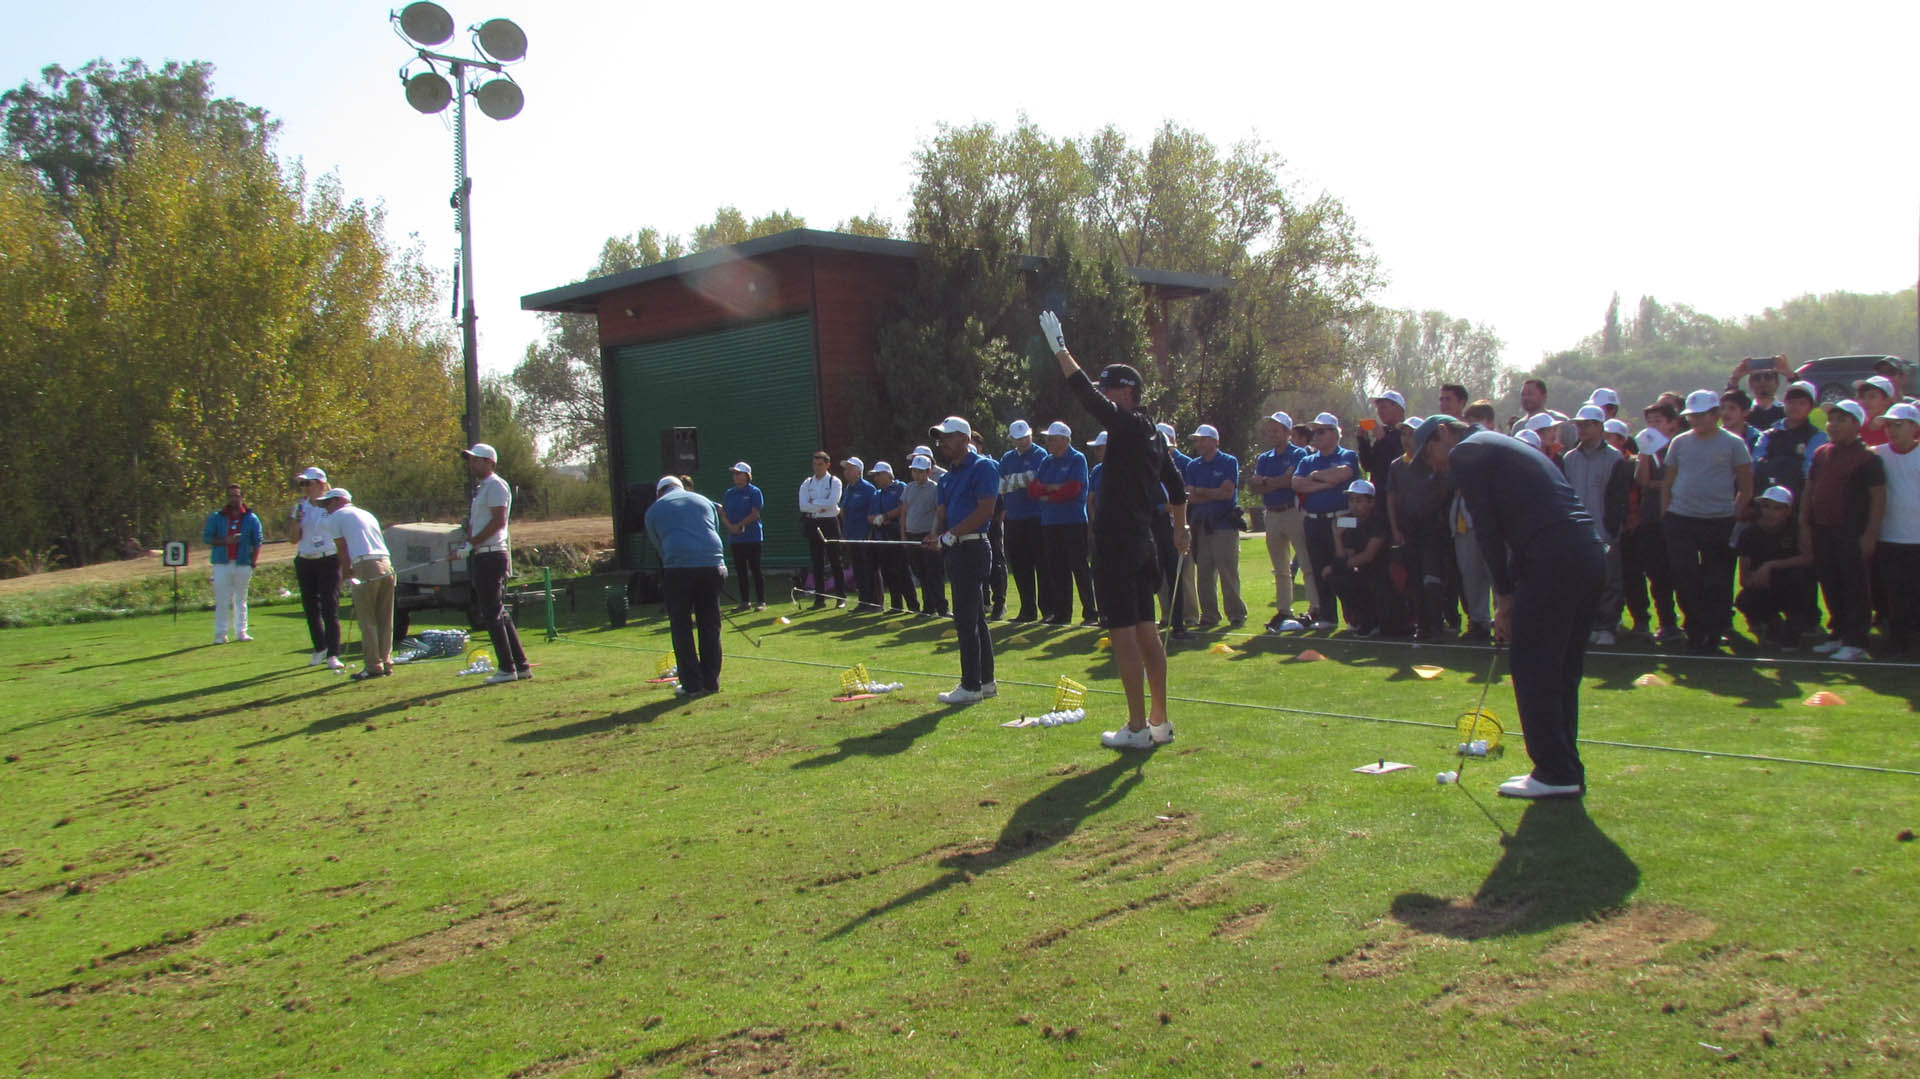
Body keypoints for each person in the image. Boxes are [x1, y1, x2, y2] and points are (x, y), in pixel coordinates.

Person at [1414, 417, 1604, 800]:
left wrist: (1503, 598)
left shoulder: (1467, 452)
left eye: (1428, 453)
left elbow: (1487, 527)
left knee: (1533, 664)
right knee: (1561, 668)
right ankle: (1564, 768)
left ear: (1443, 434)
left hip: (1553, 558)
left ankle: (1555, 771)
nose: (1434, 465)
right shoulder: (1498, 445)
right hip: (1587, 552)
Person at [1040, 311, 1190, 749]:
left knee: (1123, 634)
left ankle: (1137, 727)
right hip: (1143, 542)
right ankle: (1159, 721)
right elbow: (1177, 487)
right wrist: (1180, 529)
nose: (1105, 395)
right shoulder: (1154, 434)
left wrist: (1061, 350)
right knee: (1146, 630)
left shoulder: (1127, 423)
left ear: (1128, 392)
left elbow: (1087, 396)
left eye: (1111, 389)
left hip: (1117, 545)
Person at [1661, 390, 1754, 653]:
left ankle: (1714, 631)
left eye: (1701, 415)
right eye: (1692, 416)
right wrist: (1665, 514)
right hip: (1681, 518)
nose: (1696, 420)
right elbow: (1668, 481)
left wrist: (1734, 512)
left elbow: (1746, 484)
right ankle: (1694, 629)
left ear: (1715, 414)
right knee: (1684, 575)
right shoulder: (1680, 442)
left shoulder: (1733, 443)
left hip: (1718, 520)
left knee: (1717, 579)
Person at [925, 417, 1001, 703]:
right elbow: (941, 512)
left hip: (973, 547)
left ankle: (970, 686)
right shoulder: (946, 478)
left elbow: (986, 510)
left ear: (965, 439)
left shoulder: (983, 467)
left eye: (948, 437)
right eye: (940, 438)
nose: (943, 442)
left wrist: (950, 535)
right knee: (976, 618)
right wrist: (935, 534)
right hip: (956, 548)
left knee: (966, 620)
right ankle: (986, 682)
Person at [1805, 400, 1885, 662]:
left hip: (1852, 532)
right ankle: (1838, 632)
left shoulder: (1868, 458)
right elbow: (1810, 490)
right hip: (1823, 529)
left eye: (1841, 420)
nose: (1833, 425)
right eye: (1831, 420)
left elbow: (1878, 499)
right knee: (1830, 583)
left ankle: (1856, 640)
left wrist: (1870, 534)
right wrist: (1804, 524)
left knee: (1855, 587)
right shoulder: (1821, 453)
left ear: (1856, 424)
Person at [454, 443, 531, 683]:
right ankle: (521, 665)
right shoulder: (482, 488)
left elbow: (498, 521)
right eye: (470, 460)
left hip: (491, 554)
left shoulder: (496, 485)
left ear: (490, 462)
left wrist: (472, 543)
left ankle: (507, 669)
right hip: (483, 553)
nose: (471, 464)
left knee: (491, 613)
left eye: (476, 460)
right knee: (499, 612)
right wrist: (468, 544)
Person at [646, 475, 728, 697]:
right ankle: (711, 682)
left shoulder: (654, 510)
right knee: (710, 624)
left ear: (659, 493)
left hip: (679, 569)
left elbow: (659, 546)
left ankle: (692, 684)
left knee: (681, 626)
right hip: (714, 566)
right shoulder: (704, 501)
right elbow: (714, 530)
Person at [1561, 405, 1633, 646]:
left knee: (1608, 580)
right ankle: (1586, 624)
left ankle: (1606, 626)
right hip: (1576, 531)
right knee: (1579, 581)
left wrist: (1614, 529)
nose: (1581, 429)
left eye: (1587, 425)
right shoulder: (1569, 458)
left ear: (1600, 427)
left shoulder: (1615, 458)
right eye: (1579, 425)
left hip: (1604, 529)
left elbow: (1619, 498)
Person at [1292, 413, 1359, 630]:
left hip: (1342, 519)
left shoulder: (1348, 455)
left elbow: (1342, 475)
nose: (1316, 436)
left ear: (1335, 433)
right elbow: (1297, 484)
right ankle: (1328, 617)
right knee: (1319, 568)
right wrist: (1325, 483)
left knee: (1344, 567)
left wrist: (1315, 476)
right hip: (1313, 521)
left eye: (1321, 431)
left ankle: (1354, 617)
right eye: (1315, 432)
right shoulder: (1307, 460)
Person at [1387, 421, 1454, 638]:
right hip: (1408, 530)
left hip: (1433, 529)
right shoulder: (1397, 465)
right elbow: (1391, 498)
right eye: (1403, 434)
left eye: (1411, 434)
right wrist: (1395, 528)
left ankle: (1437, 624)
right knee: (1415, 579)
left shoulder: (1434, 461)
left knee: (1432, 578)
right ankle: (1422, 625)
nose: (1406, 439)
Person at [319, 488, 394, 681]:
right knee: (384, 618)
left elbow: (342, 549)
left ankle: (373, 666)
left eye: (328, 502)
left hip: (365, 565)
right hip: (386, 564)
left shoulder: (337, 517)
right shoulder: (366, 514)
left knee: (367, 619)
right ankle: (386, 662)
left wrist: (346, 573)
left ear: (340, 500)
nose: (326, 507)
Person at [1030, 421, 1098, 625]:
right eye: (1049, 439)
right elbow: (1033, 490)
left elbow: (1073, 490)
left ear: (1065, 440)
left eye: (1053, 439)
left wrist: (1047, 492)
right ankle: (1062, 614)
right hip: (1050, 522)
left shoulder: (1077, 459)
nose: (1049, 443)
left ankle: (1090, 612)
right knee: (1057, 569)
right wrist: (1055, 488)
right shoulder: (1046, 461)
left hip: (1073, 520)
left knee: (1079, 567)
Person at [1734, 486, 1816, 649]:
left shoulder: (1797, 529)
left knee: (1801, 581)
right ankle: (1771, 623)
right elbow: (1744, 579)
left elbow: (1808, 559)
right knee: (1745, 600)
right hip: (1766, 585)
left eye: (1777, 508)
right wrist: (1756, 580)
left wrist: (1770, 565)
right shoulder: (1749, 534)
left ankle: (1795, 625)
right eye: (1766, 507)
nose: (1770, 513)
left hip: (1792, 584)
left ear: (1788, 511)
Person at [1181, 423, 1245, 629]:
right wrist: (1211, 492)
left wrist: (1202, 491)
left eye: (1203, 440)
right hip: (1201, 525)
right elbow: (1190, 497)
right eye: (1197, 440)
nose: (1199, 444)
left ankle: (1236, 614)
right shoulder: (1193, 466)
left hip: (1224, 524)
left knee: (1228, 572)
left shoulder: (1228, 461)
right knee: (1204, 573)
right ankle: (1209, 615)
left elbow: (1227, 493)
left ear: (1215, 441)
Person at [1251, 412, 1309, 632]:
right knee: (1280, 568)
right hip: (1272, 513)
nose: (1272, 434)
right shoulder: (1264, 458)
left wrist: (1267, 481)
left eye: (1277, 430)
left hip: (1292, 511)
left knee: (1306, 562)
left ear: (1288, 432)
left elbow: (1291, 482)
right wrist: (1275, 482)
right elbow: (1256, 487)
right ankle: (1284, 610)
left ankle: (1315, 608)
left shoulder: (1299, 453)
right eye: (1270, 431)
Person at [1624, 424, 1680, 642]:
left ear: (1671, 422)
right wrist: (1646, 455)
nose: (1653, 424)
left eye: (1658, 419)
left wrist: (1661, 484)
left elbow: (1677, 481)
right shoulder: (1646, 451)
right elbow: (1643, 481)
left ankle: (1674, 622)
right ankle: (1658, 622)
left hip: (1676, 518)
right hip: (1647, 521)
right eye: (1650, 419)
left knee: (1673, 574)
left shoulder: (1679, 446)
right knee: (1650, 574)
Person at [1872, 402, 1920, 654]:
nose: (1891, 430)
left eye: (1898, 425)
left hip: (1917, 538)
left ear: (1914, 427)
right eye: (1889, 425)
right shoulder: (1877, 455)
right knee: (1893, 593)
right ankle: (1897, 639)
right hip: (1889, 537)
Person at [289, 467, 344, 669]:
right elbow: (292, 538)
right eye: (302, 484)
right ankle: (320, 647)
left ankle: (333, 653)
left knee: (329, 606)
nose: (304, 487)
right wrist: (297, 520)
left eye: (308, 483)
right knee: (310, 608)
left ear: (321, 484)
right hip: (305, 559)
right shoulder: (300, 507)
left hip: (328, 559)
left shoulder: (331, 505)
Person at [1323, 479, 1392, 635]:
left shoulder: (1378, 521)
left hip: (1382, 573)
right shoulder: (1350, 521)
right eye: (1351, 500)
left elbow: (1368, 556)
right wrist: (1337, 536)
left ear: (1371, 502)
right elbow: (1345, 555)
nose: (1354, 505)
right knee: (1336, 578)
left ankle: (1374, 621)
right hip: (1361, 572)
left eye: (1359, 500)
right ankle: (1360, 619)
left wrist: (1336, 567)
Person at [998, 420, 1047, 622]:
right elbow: (999, 485)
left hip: (1036, 517)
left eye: (1025, 437)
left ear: (1031, 434)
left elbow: (1035, 478)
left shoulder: (1040, 454)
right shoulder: (1007, 458)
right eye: (1018, 439)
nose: (1023, 441)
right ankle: (1027, 610)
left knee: (1042, 565)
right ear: (1012, 439)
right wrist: (1021, 480)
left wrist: (1013, 481)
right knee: (1020, 567)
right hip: (1013, 518)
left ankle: (1048, 610)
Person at [202, 482, 263, 645]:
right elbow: (207, 538)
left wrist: (253, 562)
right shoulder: (217, 517)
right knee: (222, 600)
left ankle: (241, 631)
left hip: (243, 563)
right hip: (222, 563)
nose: (233, 499)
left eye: (236, 496)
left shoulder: (251, 518)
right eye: (230, 496)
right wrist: (225, 541)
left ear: (242, 497)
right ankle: (221, 634)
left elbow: (257, 541)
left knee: (241, 598)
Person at [1753, 380, 1828, 504]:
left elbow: (1809, 474)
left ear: (1811, 407)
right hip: (1765, 500)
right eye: (1791, 402)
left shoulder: (1818, 437)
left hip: (1797, 501)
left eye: (1802, 403)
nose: (1795, 407)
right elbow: (1755, 466)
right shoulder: (1768, 435)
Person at [1158, 421, 1199, 639]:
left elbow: (1186, 494)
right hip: (1157, 527)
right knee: (1161, 577)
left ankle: (1186, 618)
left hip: (1177, 524)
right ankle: (1168, 616)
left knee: (1182, 575)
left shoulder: (1182, 466)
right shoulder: (1147, 469)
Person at [798, 451, 846, 609]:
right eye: (814, 464)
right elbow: (803, 506)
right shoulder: (807, 483)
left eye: (820, 464)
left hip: (830, 523)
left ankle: (841, 597)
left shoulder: (834, 481)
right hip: (813, 523)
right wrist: (821, 505)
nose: (817, 467)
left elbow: (833, 502)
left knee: (835, 561)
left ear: (827, 465)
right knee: (816, 562)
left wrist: (814, 503)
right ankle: (820, 599)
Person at [868, 461, 919, 614]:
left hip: (897, 534)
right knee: (888, 572)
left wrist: (886, 516)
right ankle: (896, 605)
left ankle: (913, 605)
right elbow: (870, 516)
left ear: (887, 474)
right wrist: (877, 519)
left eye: (878, 475)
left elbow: (904, 507)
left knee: (902, 571)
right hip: (882, 536)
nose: (876, 478)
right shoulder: (877, 494)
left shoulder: (900, 487)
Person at [901, 454, 947, 617]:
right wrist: (903, 536)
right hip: (912, 535)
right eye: (914, 471)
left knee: (933, 572)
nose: (917, 475)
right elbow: (904, 512)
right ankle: (928, 607)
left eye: (920, 471)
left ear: (928, 472)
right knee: (920, 572)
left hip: (928, 536)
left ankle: (942, 607)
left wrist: (934, 534)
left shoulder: (935, 488)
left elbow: (939, 513)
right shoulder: (909, 487)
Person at [972, 430, 1008, 618]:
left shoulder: (990, 465)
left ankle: (999, 603)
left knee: (996, 563)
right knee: (979, 565)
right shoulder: (964, 468)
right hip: (974, 524)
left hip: (992, 522)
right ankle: (983, 603)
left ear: (979, 445)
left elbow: (1000, 499)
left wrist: (997, 521)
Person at [721, 462, 765, 611]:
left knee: (756, 569)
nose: (736, 476)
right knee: (740, 571)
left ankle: (761, 601)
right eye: (734, 473)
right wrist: (731, 527)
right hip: (735, 538)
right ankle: (745, 602)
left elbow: (755, 513)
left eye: (738, 473)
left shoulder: (754, 492)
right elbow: (724, 514)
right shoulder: (729, 493)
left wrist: (740, 525)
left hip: (752, 537)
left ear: (747, 476)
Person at [1356, 390, 1408, 490]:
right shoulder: (1385, 432)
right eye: (1378, 408)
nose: (1380, 411)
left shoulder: (1408, 431)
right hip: (1378, 492)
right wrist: (1363, 440)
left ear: (1398, 408)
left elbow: (1401, 460)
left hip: (1399, 492)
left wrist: (1383, 439)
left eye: (1383, 407)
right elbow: (1368, 466)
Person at [1727, 355, 1787, 430]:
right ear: (1750, 384)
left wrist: (1789, 374)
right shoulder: (1743, 413)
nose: (1762, 381)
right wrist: (1734, 379)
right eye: (1757, 378)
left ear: (1777, 383)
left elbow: (1799, 399)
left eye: (1768, 377)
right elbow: (1729, 404)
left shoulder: (1787, 411)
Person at [1857, 375, 1898, 448]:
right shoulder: (1856, 426)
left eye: (1872, 396)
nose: (1865, 401)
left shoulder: (1901, 428)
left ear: (1887, 400)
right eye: (1862, 396)